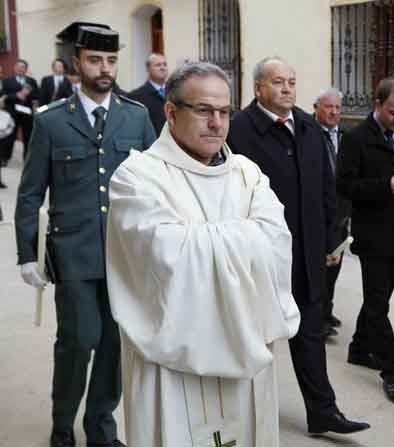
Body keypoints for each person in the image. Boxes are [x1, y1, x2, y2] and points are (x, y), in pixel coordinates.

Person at [106, 61, 300, 447]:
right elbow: (162, 253)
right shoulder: (137, 177)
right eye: (204, 110)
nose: (217, 123)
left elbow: (277, 241)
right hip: (172, 365)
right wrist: (246, 237)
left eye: (225, 112)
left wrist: (198, 238)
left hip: (246, 354)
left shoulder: (247, 174)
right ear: (171, 112)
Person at [14, 24, 155, 447]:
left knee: (114, 345)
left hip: (125, 254)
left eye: (111, 60)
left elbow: (157, 183)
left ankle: (100, 427)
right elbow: (31, 192)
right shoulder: (52, 121)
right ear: (77, 63)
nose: (105, 68)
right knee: (79, 340)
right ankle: (63, 423)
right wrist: (27, 253)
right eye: (95, 60)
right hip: (73, 253)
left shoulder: (136, 116)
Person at [227, 56, 370, 435]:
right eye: (278, 82)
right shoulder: (239, 130)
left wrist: (330, 239)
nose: (287, 88)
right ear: (258, 88)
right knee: (254, 338)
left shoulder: (308, 126)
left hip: (306, 255)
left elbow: (326, 187)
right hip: (259, 256)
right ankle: (244, 417)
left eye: (291, 81)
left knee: (310, 334)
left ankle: (323, 412)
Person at [337, 77, 394, 400]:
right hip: (372, 234)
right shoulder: (356, 138)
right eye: (393, 113)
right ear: (377, 104)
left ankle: (359, 348)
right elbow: (344, 185)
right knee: (377, 305)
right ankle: (391, 371)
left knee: (379, 299)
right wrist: (384, 187)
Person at [313, 87, 350, 339]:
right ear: (316, 107)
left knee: (335, 266)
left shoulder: (345, 136)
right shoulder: (308, 134)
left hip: (340, 213)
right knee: (319, 268)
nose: (334, 112)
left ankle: (327, 311)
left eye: (337, 107)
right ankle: (317, 319)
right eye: (329, 107)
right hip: (317, 212)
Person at [3, 58, 40, 160]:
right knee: (9, 136)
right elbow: (3, 96)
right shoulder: (6, 81)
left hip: (27, 114)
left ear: (26, 69)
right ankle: (5, 157)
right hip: (12, 113)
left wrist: (31, 97)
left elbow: (37, 96)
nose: (20, 69)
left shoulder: (31, 81)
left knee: (28, 136)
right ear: (14, 68)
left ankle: (27, 158)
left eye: (23, 67)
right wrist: (16, 95)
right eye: (18, 67)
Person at [128, 53, 168, 135]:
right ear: (148, 69)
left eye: (165, 64)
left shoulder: (174, 93)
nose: (162, 68)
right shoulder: (136, 96)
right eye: (158, 65)